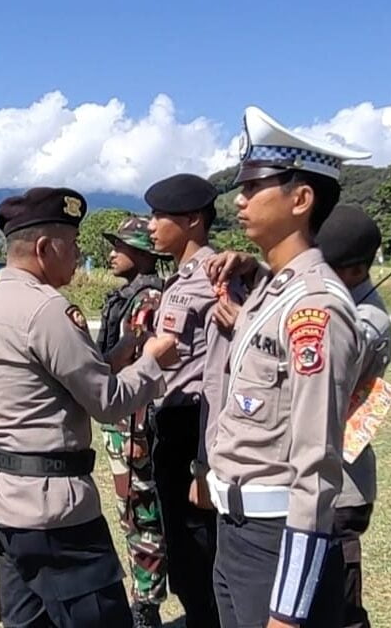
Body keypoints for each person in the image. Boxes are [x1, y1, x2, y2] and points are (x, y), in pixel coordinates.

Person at [0, 187, 179, 628]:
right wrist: (153, 361)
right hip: (51, 508)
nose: (79, 254)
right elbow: (107, 403)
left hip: (1, 495)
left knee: (28, 621)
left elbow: (44, 382)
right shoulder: (47, 310)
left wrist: (113, 356)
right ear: (44, 248)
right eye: (73, 243)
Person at [206, 106, 367, 627]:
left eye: (255, 187)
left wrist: (289, 608)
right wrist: (251, 269)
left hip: (275, 540)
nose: (240, 200)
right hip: (236, 531)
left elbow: (316, 464)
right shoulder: (273, 290)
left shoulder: (315, 308)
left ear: (300, 200)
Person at [141, 172, 238, 628]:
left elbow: (218, 376)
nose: (150, 225)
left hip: (193, 426)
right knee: (180, 552)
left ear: (193, 220)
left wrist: (204, 463)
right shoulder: (179, 278)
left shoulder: (214, 278)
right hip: (169, 421)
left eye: (160, 215)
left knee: (199, 555)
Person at [315, 204, 391, 628]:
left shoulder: (367, 321)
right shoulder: (342, 304)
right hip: (323, 477)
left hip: (342, 487)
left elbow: (322, 368)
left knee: (340, 608)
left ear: (357, 270)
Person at [95, 216, 169, 626]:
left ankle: (146, 604)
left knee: (142, 514)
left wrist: (138, 431)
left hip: (135, 425)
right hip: (122, 424)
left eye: (119, 247)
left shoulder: (148, 300)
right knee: (132, 512)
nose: (111, 253)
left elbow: (146, 369)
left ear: (141, 254)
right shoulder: (129, 296)